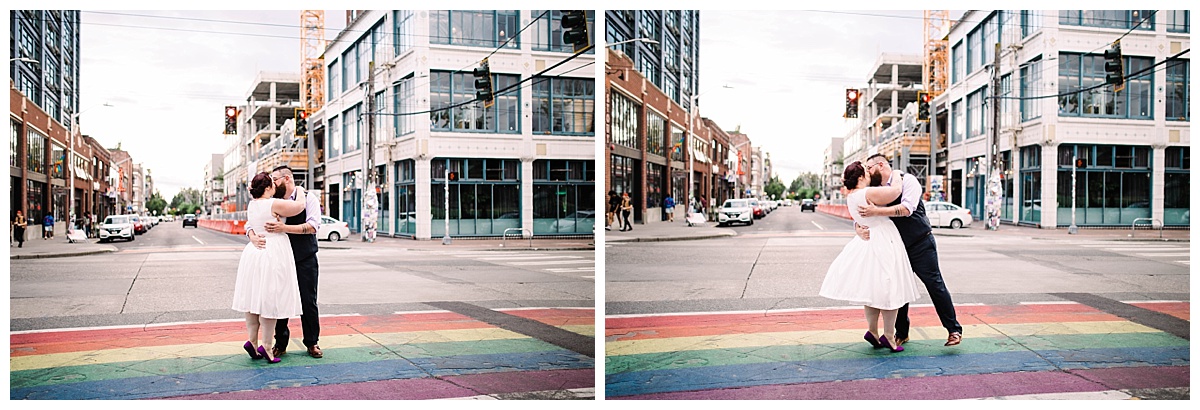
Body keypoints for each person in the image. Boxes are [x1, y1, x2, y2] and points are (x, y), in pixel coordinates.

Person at [856, 153, 963, 347]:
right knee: (898, 291)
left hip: (921, 243)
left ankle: (954, 330)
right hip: (895, 247)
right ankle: (901, 333)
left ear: (880, 165)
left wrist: (877, 211)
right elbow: (860, 216)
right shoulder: (875, 190)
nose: (868, 173)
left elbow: (907, 209)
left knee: (935, 285)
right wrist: (859, 228)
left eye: (869, 168)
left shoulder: (907, 180)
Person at [819, 161, 921, 353]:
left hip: (869, 240)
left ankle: (873, 331)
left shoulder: (851, 197)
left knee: (872, 290)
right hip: (884, 240)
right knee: (891, 288)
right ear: (859, 178)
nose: (869, 174)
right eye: (866, 172)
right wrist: (897, 174)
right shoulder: (866, 193)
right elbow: (895, 192)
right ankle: (889, 336)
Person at [231, 172, 308, 364]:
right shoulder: (272, 203)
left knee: (253, 297)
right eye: (272, 184)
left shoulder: (252, 204)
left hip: (253, 252)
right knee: (270, 298)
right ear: (267, 188)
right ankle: (266, 346)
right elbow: (299, 207)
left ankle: (251, 340)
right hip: (272, 250)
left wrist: (251, 233)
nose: (275, 186)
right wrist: (299, 189)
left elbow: (250, 225)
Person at [249, 165, 324, 359]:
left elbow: (313, 226)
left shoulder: (308, 198)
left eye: (276, 179)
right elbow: (251, 222)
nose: (273, 183)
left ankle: (312, 342)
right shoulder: (273, 200)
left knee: (308, 301)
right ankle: (280, 343)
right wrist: (252, 236)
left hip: (304, 257)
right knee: (278, 298)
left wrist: (284, 228)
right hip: (279, 259)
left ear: (287, 179)